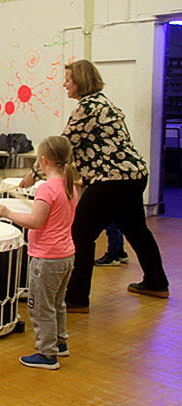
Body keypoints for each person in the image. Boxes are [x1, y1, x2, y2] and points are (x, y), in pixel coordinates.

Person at [21, 59, 169, 313]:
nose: (64, 84)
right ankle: (156, 282)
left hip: (113, 181)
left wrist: (34, 173)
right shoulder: (102, 103)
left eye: (68, 79)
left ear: (80, 81)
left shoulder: (87, 107)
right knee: (137, 231)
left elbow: (64, 147)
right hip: (132, 176)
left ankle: (77, 298)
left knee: (81, 234)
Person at [0, 136, 79, 370]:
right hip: (66, 255)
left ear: (43, 161)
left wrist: (6, 213)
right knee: (57, 303)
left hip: (47, 258)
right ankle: (60, 343)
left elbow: (35, 221)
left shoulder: (46, 189)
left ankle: (46, 353)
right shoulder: (69, 185)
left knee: (41, 307)